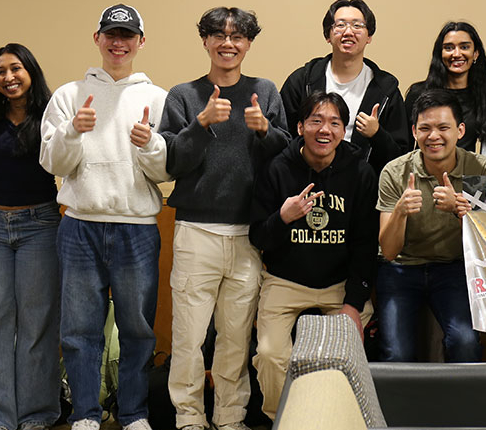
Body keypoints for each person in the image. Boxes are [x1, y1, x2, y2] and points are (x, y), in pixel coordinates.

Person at [158, 7, 289, 430]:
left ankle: (230, 416)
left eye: (237, 36)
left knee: (236, 337)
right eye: (219, 34)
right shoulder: (183, 95)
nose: (228, 43)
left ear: (248, 43)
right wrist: (200, 124)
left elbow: (286, 156)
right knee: (189, 337)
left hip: (248, 234)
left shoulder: (264, 91)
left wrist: (265, 129)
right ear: (205, 41)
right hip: (196, 231)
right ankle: (189, 416)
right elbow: (171, 162)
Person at [40, 5, 170, 430]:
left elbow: (167, 172)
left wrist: (150, 145)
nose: (118, 43)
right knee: (79, 330)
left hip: (138, 228)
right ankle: (85, 413)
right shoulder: (68, 96)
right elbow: (52, 163)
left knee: (138, 330)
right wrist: (72, 131)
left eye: (127, 35)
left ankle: (133, 413)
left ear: (141, 42)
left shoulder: (158, 98)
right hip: (79, 225)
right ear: (96, 38)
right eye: (111, 34)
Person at [249, 92, 377, 420]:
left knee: (349, 355)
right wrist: (283, 218)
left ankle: (338, 421)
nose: (325, 130)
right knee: (270, 354)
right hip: (285, 280)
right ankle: (285, 420)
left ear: (344, 131)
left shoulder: (360, 173)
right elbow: (258, 236)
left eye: (334, 123)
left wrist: (353, 303)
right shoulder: (277, 168)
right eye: (316, 121)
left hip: (339, 285)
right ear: (300, 126)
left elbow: (365, 244)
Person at [0, 43, 61, 430]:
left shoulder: (52, 116)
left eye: (16, 68)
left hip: (40, 226)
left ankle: (37, 413)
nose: (8, 77)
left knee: (37, 321)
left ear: (31, 72)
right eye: (0, 71)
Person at [376, 89, 486, 363]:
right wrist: (400, 213)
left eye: (443, 128)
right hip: (402, 268)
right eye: (425, 129)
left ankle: (463, 395)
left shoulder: (482, 169)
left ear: (460, 130)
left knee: (465, 343)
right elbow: (390, 252)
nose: (434, 136)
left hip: (454, 268)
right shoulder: (394, 172)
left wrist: (460, 210)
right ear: (414, 132)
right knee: (396, 354)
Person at [279, 0, 410, 172]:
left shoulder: (386, 89)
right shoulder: (303, 80)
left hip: (362, 182)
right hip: (306, 176)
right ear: (328, 35)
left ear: (369, 36)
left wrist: (377, 134)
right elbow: (283, 138)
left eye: (357, 25)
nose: (348, 32)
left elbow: (400, 157)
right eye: (340, 25)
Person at [403, 22, 486, 153]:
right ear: (440, 53)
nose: (456, 54)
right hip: (424, 165)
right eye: (449, 48)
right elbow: (405, 146)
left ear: (475, 53)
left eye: (464, 47)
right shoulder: (418, 93)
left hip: (466, 165)